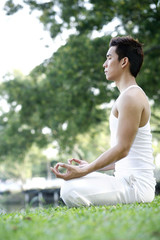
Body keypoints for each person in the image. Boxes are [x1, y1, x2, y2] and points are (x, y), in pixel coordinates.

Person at [51, 36, 156, 207]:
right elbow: (125, 155)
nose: (104, 64)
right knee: (73, 183)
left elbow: (122, 149)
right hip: (125, 181)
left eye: (109, 58)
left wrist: (86, 169)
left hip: (136, 187)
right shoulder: (127, 96)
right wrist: (92, 166)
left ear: (124, 62)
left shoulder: (131, 96)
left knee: (71, 189)